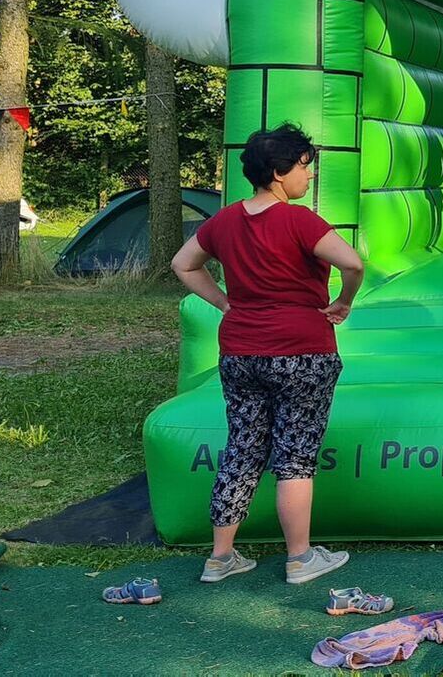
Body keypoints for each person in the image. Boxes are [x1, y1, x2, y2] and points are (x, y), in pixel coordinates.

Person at [171, 123, 365, 587]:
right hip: (302, 351)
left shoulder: (224, 221)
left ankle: (220, 557)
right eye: (304, 167)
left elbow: (182, 264)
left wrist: (224, 303)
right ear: (279, 173)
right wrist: (344, 301)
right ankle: (300, 558)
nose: (308, 176)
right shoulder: (300, 221)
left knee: (242, 447)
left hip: (240, 352)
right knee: (295, 457)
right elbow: (353, 263)